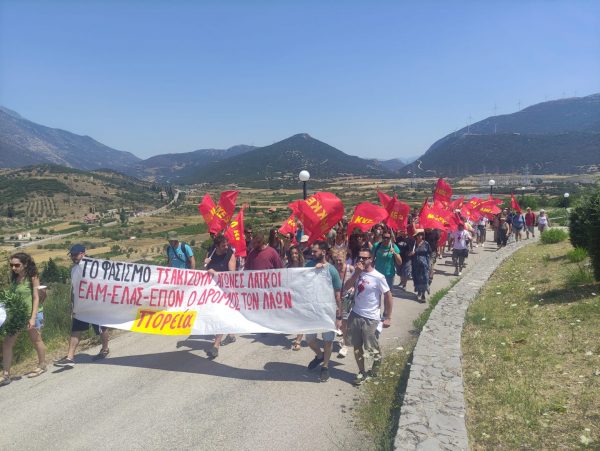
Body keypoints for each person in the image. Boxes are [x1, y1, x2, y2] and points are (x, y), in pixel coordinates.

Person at [54, 245, 110, 369]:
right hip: (81, 306)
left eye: (75, 254)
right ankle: (70, 357)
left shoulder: (95, 267)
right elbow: (74, 288)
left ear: (83, 254)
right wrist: (72, 305)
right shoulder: (74, 269)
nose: (73, 257)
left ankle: (105, 349)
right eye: (72, 255)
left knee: (101, 329)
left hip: (96, 304)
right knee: (76, 330)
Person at [344, 248, 393, 386]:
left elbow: (388, 296)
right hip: (356, 313)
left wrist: (388, 316)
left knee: (371, 347)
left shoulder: (378, 277)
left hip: (371, 317)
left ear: (371, 259)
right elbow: (346, 287)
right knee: (357, 345)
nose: (361, 260)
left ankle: (376, 368)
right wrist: (356, 274)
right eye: (359, 257)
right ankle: (361, 372)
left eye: (364, 258)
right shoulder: (357, 273)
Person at [1, 253, 46, 386]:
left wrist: (32, 318)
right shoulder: (15, 278)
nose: (13, 268)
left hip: (32, 314)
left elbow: (36, 298)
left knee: (36, 340)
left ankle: (42, 365)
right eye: (11, 265)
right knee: (7, 343)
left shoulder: (33, 277)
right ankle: (6, 375)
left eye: (17, 265)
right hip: (18, 315)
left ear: (25, 264)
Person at [304, 241, 342, 382]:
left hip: (327, 311)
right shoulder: (308, 266)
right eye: (312, 251)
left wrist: (339, 316)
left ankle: (325, 366)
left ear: (324, 252)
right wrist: (314, 271)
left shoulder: (332, 270)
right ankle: (320, 356)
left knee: (328, 340)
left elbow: (337, 294)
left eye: (315, 251)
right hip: (311, 310)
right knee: (309, 339)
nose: (312, 254)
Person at [205, 235, 237, 359]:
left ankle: (216, 346)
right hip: (212, 292)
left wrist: (215, 274)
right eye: (223, 245)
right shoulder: (211, 253)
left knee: (221, 317)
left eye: (227, 244)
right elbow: (205, 269)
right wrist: (206, 264)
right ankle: (231, 334)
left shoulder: (230, 255)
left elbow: (231, 276)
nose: (226, 247)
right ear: (217, 246)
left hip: (226, 292)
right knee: (216, 316)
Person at [332, 249, 354, 358]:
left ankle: (345, 345)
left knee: (344, 321)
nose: (338, 262)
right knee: (337, 321)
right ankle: (344, 338)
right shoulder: (333, 269)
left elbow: (358, 280)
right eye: (336, 260)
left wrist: (353, 288)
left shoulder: (351, 269)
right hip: (335, 299)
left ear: (345, 258)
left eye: (340, 260)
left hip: (347, 298)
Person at [287, 245, 305, 351]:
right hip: (292, 296)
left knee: (301, 317)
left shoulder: (305, 266)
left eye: (296, 253)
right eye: (292, 253)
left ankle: (298, 341)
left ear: (299, 254)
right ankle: (299, 335)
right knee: (295, 318)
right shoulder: (288, 267)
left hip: (302, 296)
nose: (294, 255)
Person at [409, 230, 430, 303]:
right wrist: (411, 253)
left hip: (424, 264)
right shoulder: (413, 244)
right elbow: (408, 253)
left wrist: (429, 265)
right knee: (417, 278)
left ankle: (423, 294)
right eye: (418, 235)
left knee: (424, 278)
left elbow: (429, 253)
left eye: (421, 235)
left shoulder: (426, 243)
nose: (419, 236)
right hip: (415, 263)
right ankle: (419, 291)